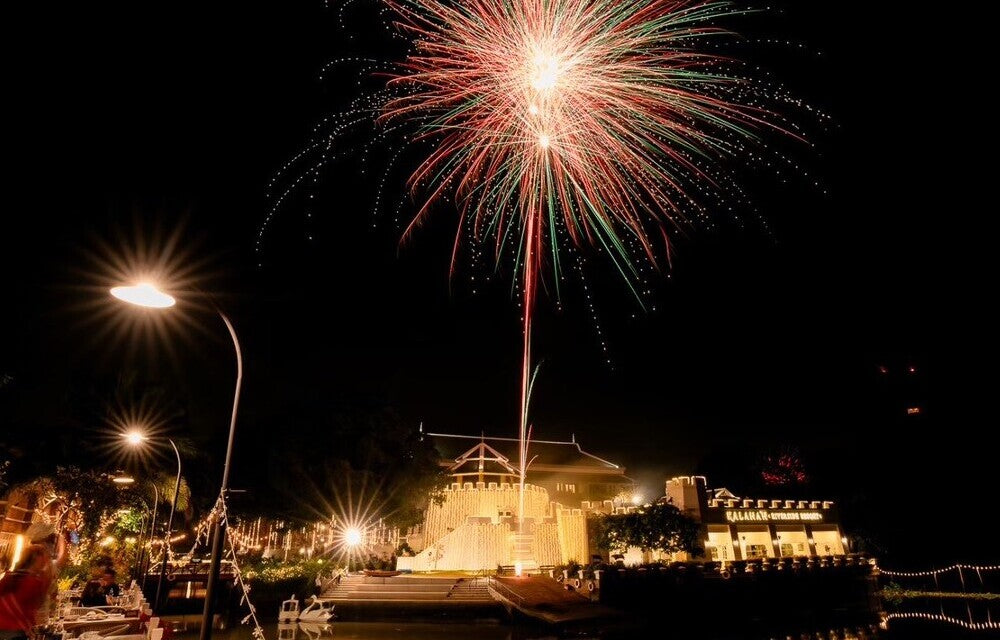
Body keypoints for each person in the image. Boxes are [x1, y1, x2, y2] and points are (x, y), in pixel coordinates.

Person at [0, 544, 55, 640]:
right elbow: (41, 601)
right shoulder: (34, 582)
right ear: (36, 559)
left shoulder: (9, 576)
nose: (44, 563)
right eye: (44, 559)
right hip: (17, 630)